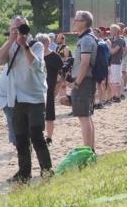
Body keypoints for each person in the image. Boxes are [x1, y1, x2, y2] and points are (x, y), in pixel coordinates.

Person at [0, 16, 52, 184]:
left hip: (35, 98)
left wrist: (24, 44)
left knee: (36, 135)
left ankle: (47, 170)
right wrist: (11, 41)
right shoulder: (10, 46)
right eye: (15, 28)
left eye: (22, 28)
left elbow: (36, 65)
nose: (19, 31)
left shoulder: (37, 45)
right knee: (20, 138)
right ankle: (24, 172)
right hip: (16, 98)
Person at [69, 11, 98, 150]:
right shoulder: (86, 38)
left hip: (84, 82)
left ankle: (87, 151)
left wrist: (76, 83)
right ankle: (90, 150)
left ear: (84, 22)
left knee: (84, 118)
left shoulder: (86, 39)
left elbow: (85, 64)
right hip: (86, 81)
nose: (74, 22)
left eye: (77, 19)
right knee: (87, 116)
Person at [36, 34, 62, 145]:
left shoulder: (55, 57)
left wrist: (58, 87)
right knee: (36, 114)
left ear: (48, 43)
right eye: (39, 42)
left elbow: (62, 73)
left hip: (49, 89)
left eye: (43, 42)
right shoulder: (35, 57)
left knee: (49, 115)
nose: (42, 44)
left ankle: (49, 138)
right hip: (35, 89)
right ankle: (37, 137)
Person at [108, 24, 125, 103]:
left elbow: (113, 52)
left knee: (116, 81)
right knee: (111, 81)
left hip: (116, 63)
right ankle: (114, 95)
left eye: (112, 30)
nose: (110, 31)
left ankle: (118, 96)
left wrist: (108, 46)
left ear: (117, 31)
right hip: (110, 63)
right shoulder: (110, 40)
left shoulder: (120, 41)